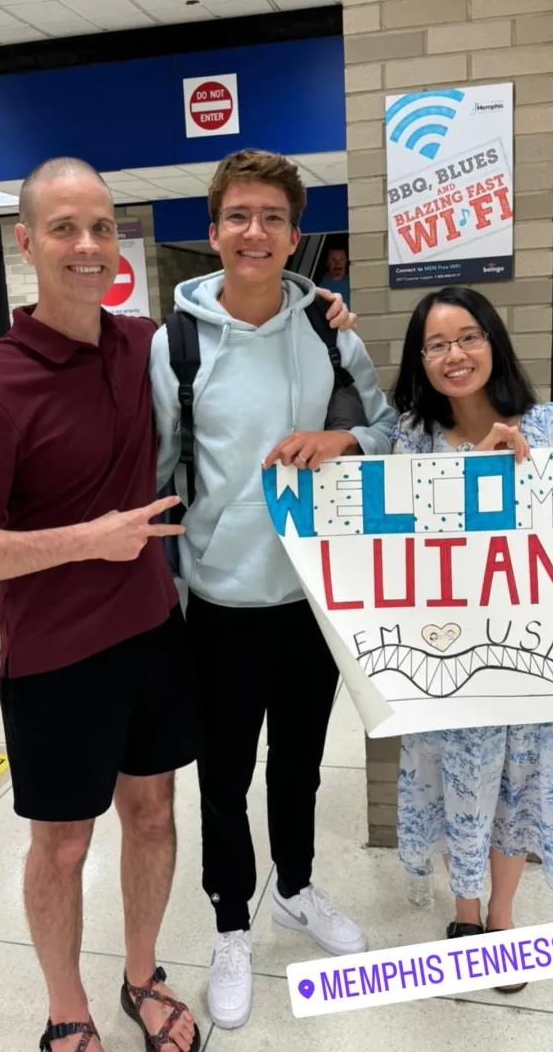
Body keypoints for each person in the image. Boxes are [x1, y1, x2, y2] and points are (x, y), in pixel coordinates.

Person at [0, 156, 353, 1052]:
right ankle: (66, 1011)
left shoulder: (144, 341)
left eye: (102, 227)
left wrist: (322, 305)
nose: (87, 245)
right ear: (25, 241)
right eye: (64, 228)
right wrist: (84, 540)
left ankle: (142, 976)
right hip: (55, 654)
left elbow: (245, 308)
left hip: (156, 634)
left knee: (153, 817)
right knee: (63, 847)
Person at [150, 149, 398, 1030]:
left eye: (273, 219)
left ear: (296, 236)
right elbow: (159, 473)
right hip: (219, 603)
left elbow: (387, 430)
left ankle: (292, 886)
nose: (254, 233)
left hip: (313, 598)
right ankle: (229, 922)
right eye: (238, 216)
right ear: (214, 231)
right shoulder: (172, 343)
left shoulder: (334, 333)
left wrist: (343, 444)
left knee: (297, 763)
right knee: (223, 774)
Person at [390, 285, 553, 993]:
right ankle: (463, 914)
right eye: (434, 344)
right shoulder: (412, 436)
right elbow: (397, 543)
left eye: (466, 336)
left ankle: (500, 917)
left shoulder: (551, 423)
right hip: (447, 656)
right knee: (458, 784)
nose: (453, 354)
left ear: (492, 342)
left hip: (534, 654)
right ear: (420, 360)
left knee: (519, 785)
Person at [319, 246, 350, 310]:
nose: (337, 264)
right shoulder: (319, 287)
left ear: (346, 261)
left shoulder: (353, 283)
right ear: (327, 262)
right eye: (333, 259)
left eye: (341, 259)